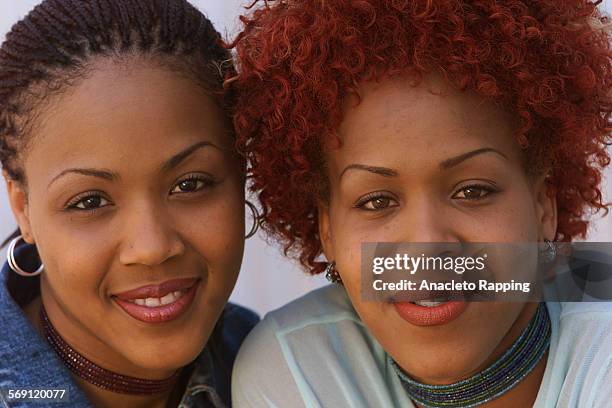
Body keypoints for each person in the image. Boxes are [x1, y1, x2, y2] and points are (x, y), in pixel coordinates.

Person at [229, 0, 612, 407]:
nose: (427, 247)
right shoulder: (296, 363)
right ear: (328, 229)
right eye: (376, 201)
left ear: (542, 205)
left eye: (473, 191)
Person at [0, 1, 258, 407]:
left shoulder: (276, 363)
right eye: (89, 201)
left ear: (240, 171)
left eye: (189, 184)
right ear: (22, 207)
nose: (152, 247)